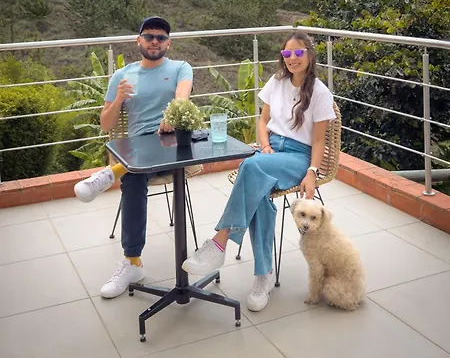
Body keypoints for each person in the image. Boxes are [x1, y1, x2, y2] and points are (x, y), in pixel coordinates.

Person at [182, 32, 336, 312]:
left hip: (298, 156)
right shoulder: (276, 82)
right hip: (271, 150)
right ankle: (263, 275)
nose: (292, 59)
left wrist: (312, 172)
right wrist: (265, 146)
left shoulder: (320, 92)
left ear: (310, 55)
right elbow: (263, 121)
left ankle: (219, 242)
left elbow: (318, 141)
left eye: (298, 53)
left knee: (250, 166)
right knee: (259, 193)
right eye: (287, 54)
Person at [77, 16, 193, 299]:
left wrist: (171, 114)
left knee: (134, 168)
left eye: (161, 38)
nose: (155, 42)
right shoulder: (122, 75)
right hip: (138, 149)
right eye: (149, 36)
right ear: (138, 40)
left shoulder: (180, 67)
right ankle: (132, 263)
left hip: (173, 142)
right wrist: (118, 99)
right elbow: (105, 124)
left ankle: (110, 174)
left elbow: (182, 97)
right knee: (133, 178)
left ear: (168, 43)